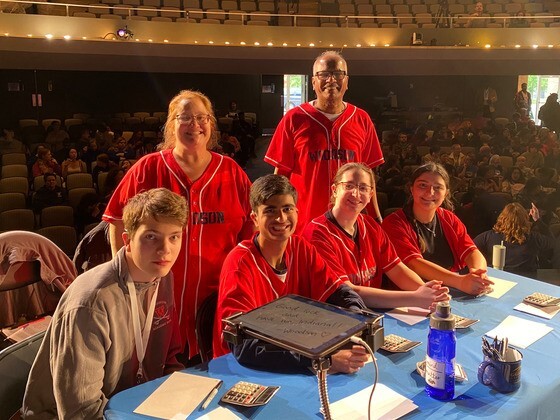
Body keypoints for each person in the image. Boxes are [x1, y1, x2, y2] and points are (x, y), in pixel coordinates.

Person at [103, 90, 253, 361]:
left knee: (211, 375)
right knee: (157, 375)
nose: (194, 125)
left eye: (201, 118)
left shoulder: (232, 172)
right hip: (156, 297)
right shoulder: (148, 168)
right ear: (171, 124)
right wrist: (124, 272)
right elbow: (115, 220)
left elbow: (249, 237)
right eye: (184, 118)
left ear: (211, 124)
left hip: (215, 299)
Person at [22, 188, 187, 418]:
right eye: (151, 236)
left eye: (174, 237)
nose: (165, 250)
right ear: (127, 240)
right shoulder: (90, 302)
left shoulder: (163, 277)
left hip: (137, 406)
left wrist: (185, 398)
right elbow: (81, 411)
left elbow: (169, 359)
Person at [213, 174, 369, 373]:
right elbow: (243, 346)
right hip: (241, 369)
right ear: (255, 218)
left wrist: (358, 327)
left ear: (297, 211)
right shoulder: (239, 263)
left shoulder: (301, 248)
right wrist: (321, 360)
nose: (281, 218)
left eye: (287, 209)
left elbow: (341, 293)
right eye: (270, 210)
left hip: (296, 357)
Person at [264, 50, 384, 233]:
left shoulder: (362, 119)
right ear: (313, 82)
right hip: (304, 224)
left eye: (338, 74)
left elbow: (369, 177)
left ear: (346, 82)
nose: (331, 80)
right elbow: (280, 177)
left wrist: (376, 218)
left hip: (350, 225)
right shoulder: (294, 118)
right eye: (324, 74)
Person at [303, 163, 449, 310]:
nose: (355, 194)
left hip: (371, 312)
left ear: (370, 195)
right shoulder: (317, 233)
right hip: (334, 317)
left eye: (363, 188)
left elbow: (397, 269)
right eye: (349, 186)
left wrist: (428, 292)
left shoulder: (370, 226)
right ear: (334, 190)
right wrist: (415, 298)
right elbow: (348, 292)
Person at [382, 163, 493, 295]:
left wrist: (478, 274)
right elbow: (414, 264)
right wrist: (460, 282)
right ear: (411, 189)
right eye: (422, 185)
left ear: (446, 193)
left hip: (450, 289)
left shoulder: (449, 218)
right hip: (410, 295)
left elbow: (471, 251)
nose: (430, 192)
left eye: (437, 187)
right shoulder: (393, 223)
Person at [474, 203, 559, 278]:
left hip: (498, 279)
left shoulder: (488, 236)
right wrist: (538, 220)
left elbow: (471, 250)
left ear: (502, 218)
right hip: (528, 282)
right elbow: (552, 242)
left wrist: (484, 266)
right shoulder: (534, 238)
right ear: (525, 220)